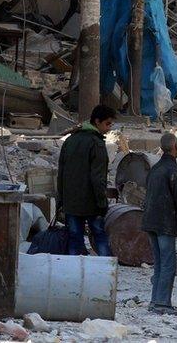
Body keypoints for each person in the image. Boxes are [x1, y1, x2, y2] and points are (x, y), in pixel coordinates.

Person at [142, 133, 177, 315]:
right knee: (168, 263)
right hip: (165, 223)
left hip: (149, 221)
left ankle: (155, 301)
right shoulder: (176, 171)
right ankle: (162, 303)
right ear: (176, 147)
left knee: (158, 263)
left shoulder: (154, 169)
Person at [56, 105, 115, 257]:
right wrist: (102, 204)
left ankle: (76, 274)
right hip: (91, 204)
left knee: (75, 238)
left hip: (72, 203)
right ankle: (105, 272)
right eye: (107, 124)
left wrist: (61, 200)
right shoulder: (96, 144)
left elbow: (61, 174)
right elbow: (98, 178)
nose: (109, 128)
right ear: (97, 121)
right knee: (99, 236)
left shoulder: (70, 140)